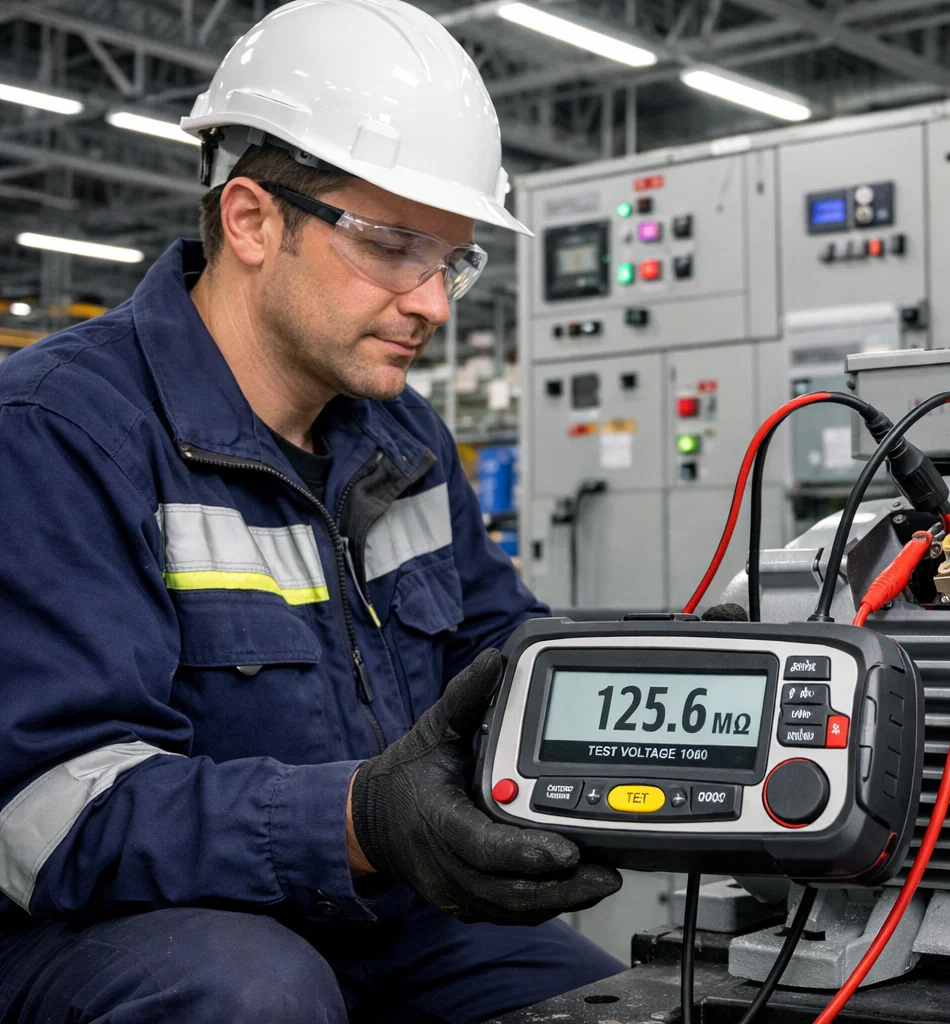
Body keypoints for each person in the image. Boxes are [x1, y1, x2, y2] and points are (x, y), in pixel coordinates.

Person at [0, 0, 625, 1019]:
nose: (433, 302)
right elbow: (49, 816)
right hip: (107, 928)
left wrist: (668, 682)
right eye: (393, 247)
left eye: (452, 260)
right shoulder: (61, 431)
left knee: (612, 999)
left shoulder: (403, 437)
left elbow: (497, 650)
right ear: (251, 220)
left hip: (374, 910)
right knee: (252, 992)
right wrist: (358, 818)